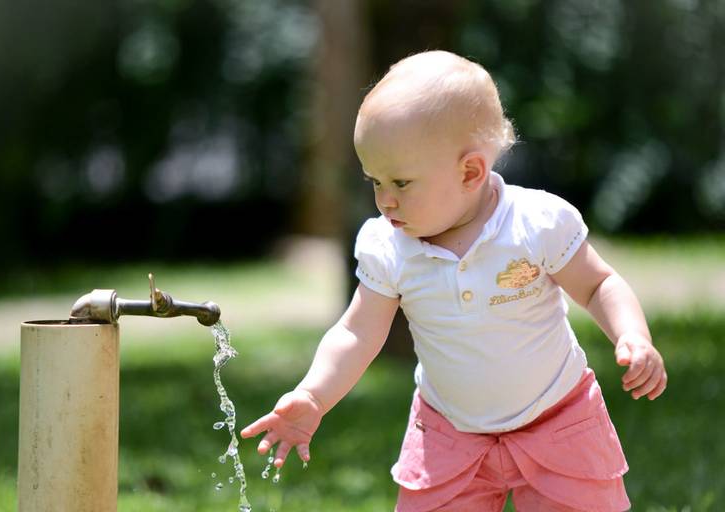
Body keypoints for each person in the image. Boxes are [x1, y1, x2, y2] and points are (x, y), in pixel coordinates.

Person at [241, 50, 667, 511]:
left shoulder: (535, 223)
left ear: (470, 172)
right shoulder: (389, 247)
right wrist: (313, 394)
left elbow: (597, 284)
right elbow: (356, 332)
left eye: (401, 183)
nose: (385, 200)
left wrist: (632, 336)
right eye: (374, 181)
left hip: (557, 419)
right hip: (448, 433)